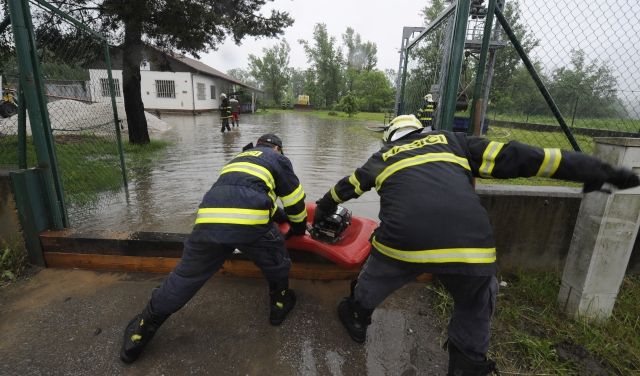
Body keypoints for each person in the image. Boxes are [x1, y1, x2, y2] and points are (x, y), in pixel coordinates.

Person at [312, 114, 639, 375]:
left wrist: (323, 210)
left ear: (391, 137)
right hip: (469, 248)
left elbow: (344, 189)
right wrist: (594, 169)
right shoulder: (453, 142)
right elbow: (520, 156)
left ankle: (356, 316)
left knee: (374, 278)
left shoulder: (380, 157)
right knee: (474, 304)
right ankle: (467, 366)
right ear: (422, 131)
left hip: (403, 243)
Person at [120, 133, 308, 363]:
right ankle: (280, 303)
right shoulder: (277, 158)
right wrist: (298, 230)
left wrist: (275, 213)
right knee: (276, 258)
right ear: (278, 149)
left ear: (257, 145)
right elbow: (295, 202)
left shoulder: (237, 159)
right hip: (250, 225)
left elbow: (238, 194)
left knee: (185, 277)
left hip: (208, 221)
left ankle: (140, 332)